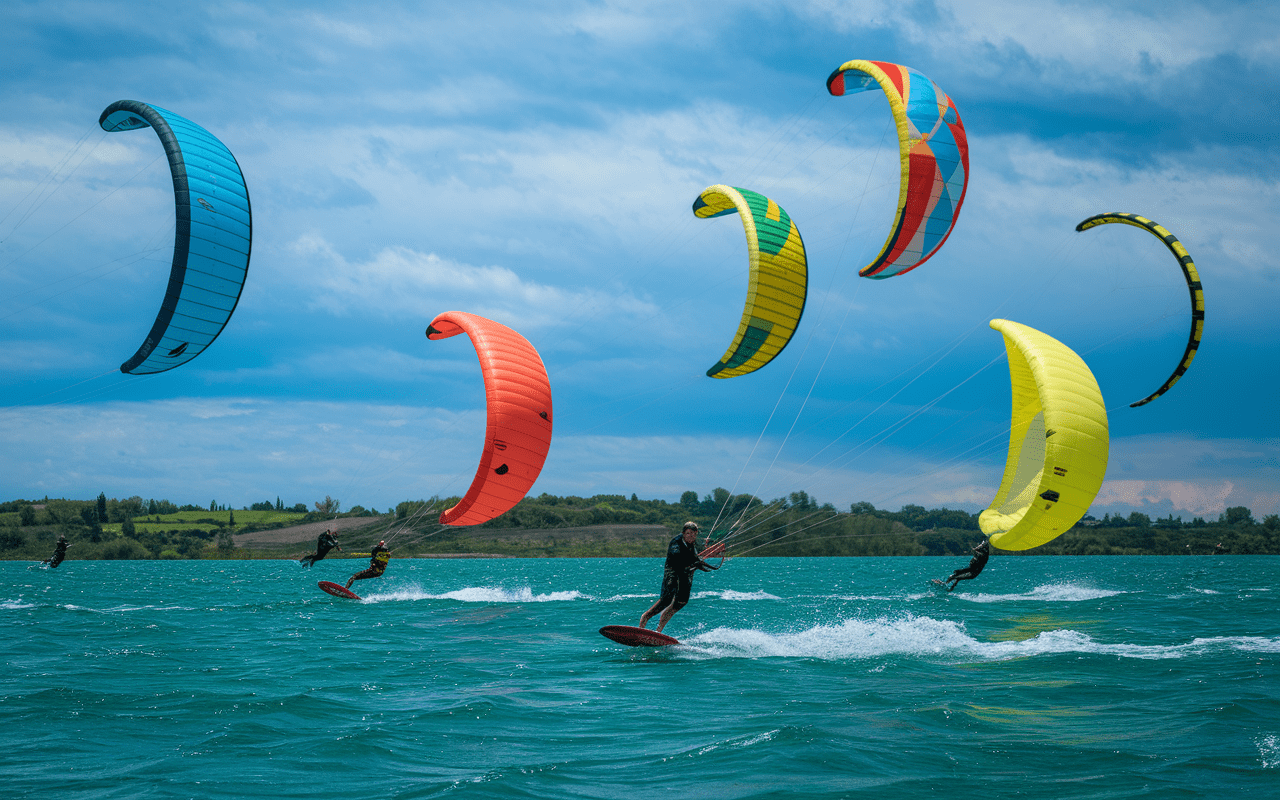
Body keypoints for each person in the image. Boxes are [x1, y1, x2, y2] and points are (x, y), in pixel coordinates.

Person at [638, 522, 718, 633]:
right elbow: (678, 556)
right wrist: (696, 561)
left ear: (696, 534)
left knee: (681, 602)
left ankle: (658, 631)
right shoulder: (676, 543)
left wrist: (708, 560)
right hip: (673, 573)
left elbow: (703, 552)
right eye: (688, 533)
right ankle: (644, 621)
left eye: (693, 534)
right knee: (666, 601)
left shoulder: (695, 542)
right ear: (683, 533)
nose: (691, 536)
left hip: (686, 573)